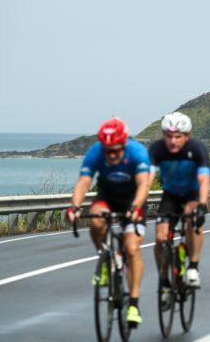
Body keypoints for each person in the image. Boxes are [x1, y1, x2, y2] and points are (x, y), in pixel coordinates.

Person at [66, 117, 151, 326]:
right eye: (108, 150)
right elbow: (83, 183)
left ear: (124, 144)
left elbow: (143, 185)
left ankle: (133, 304)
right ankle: (104, 257)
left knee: (131, 249)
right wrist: (75, 207)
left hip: (133, 200)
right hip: (107, 196)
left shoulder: (137, 152)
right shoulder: (96, 151)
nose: (111, 155)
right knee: (96, 221)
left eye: (115, 150)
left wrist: (135, 207)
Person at [150, 112, 210, 289]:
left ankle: (193, 267)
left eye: (178, 137)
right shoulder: (157, 149)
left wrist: (202, 205)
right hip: (170, 195)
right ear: (163, 135)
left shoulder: (197, 149)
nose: (173, 141)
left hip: (192, 194)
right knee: (161, 238)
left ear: (187, 136)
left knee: (191, 218)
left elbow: (204, 180)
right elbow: (146, 178)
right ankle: (163, 278)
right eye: (168, 136)